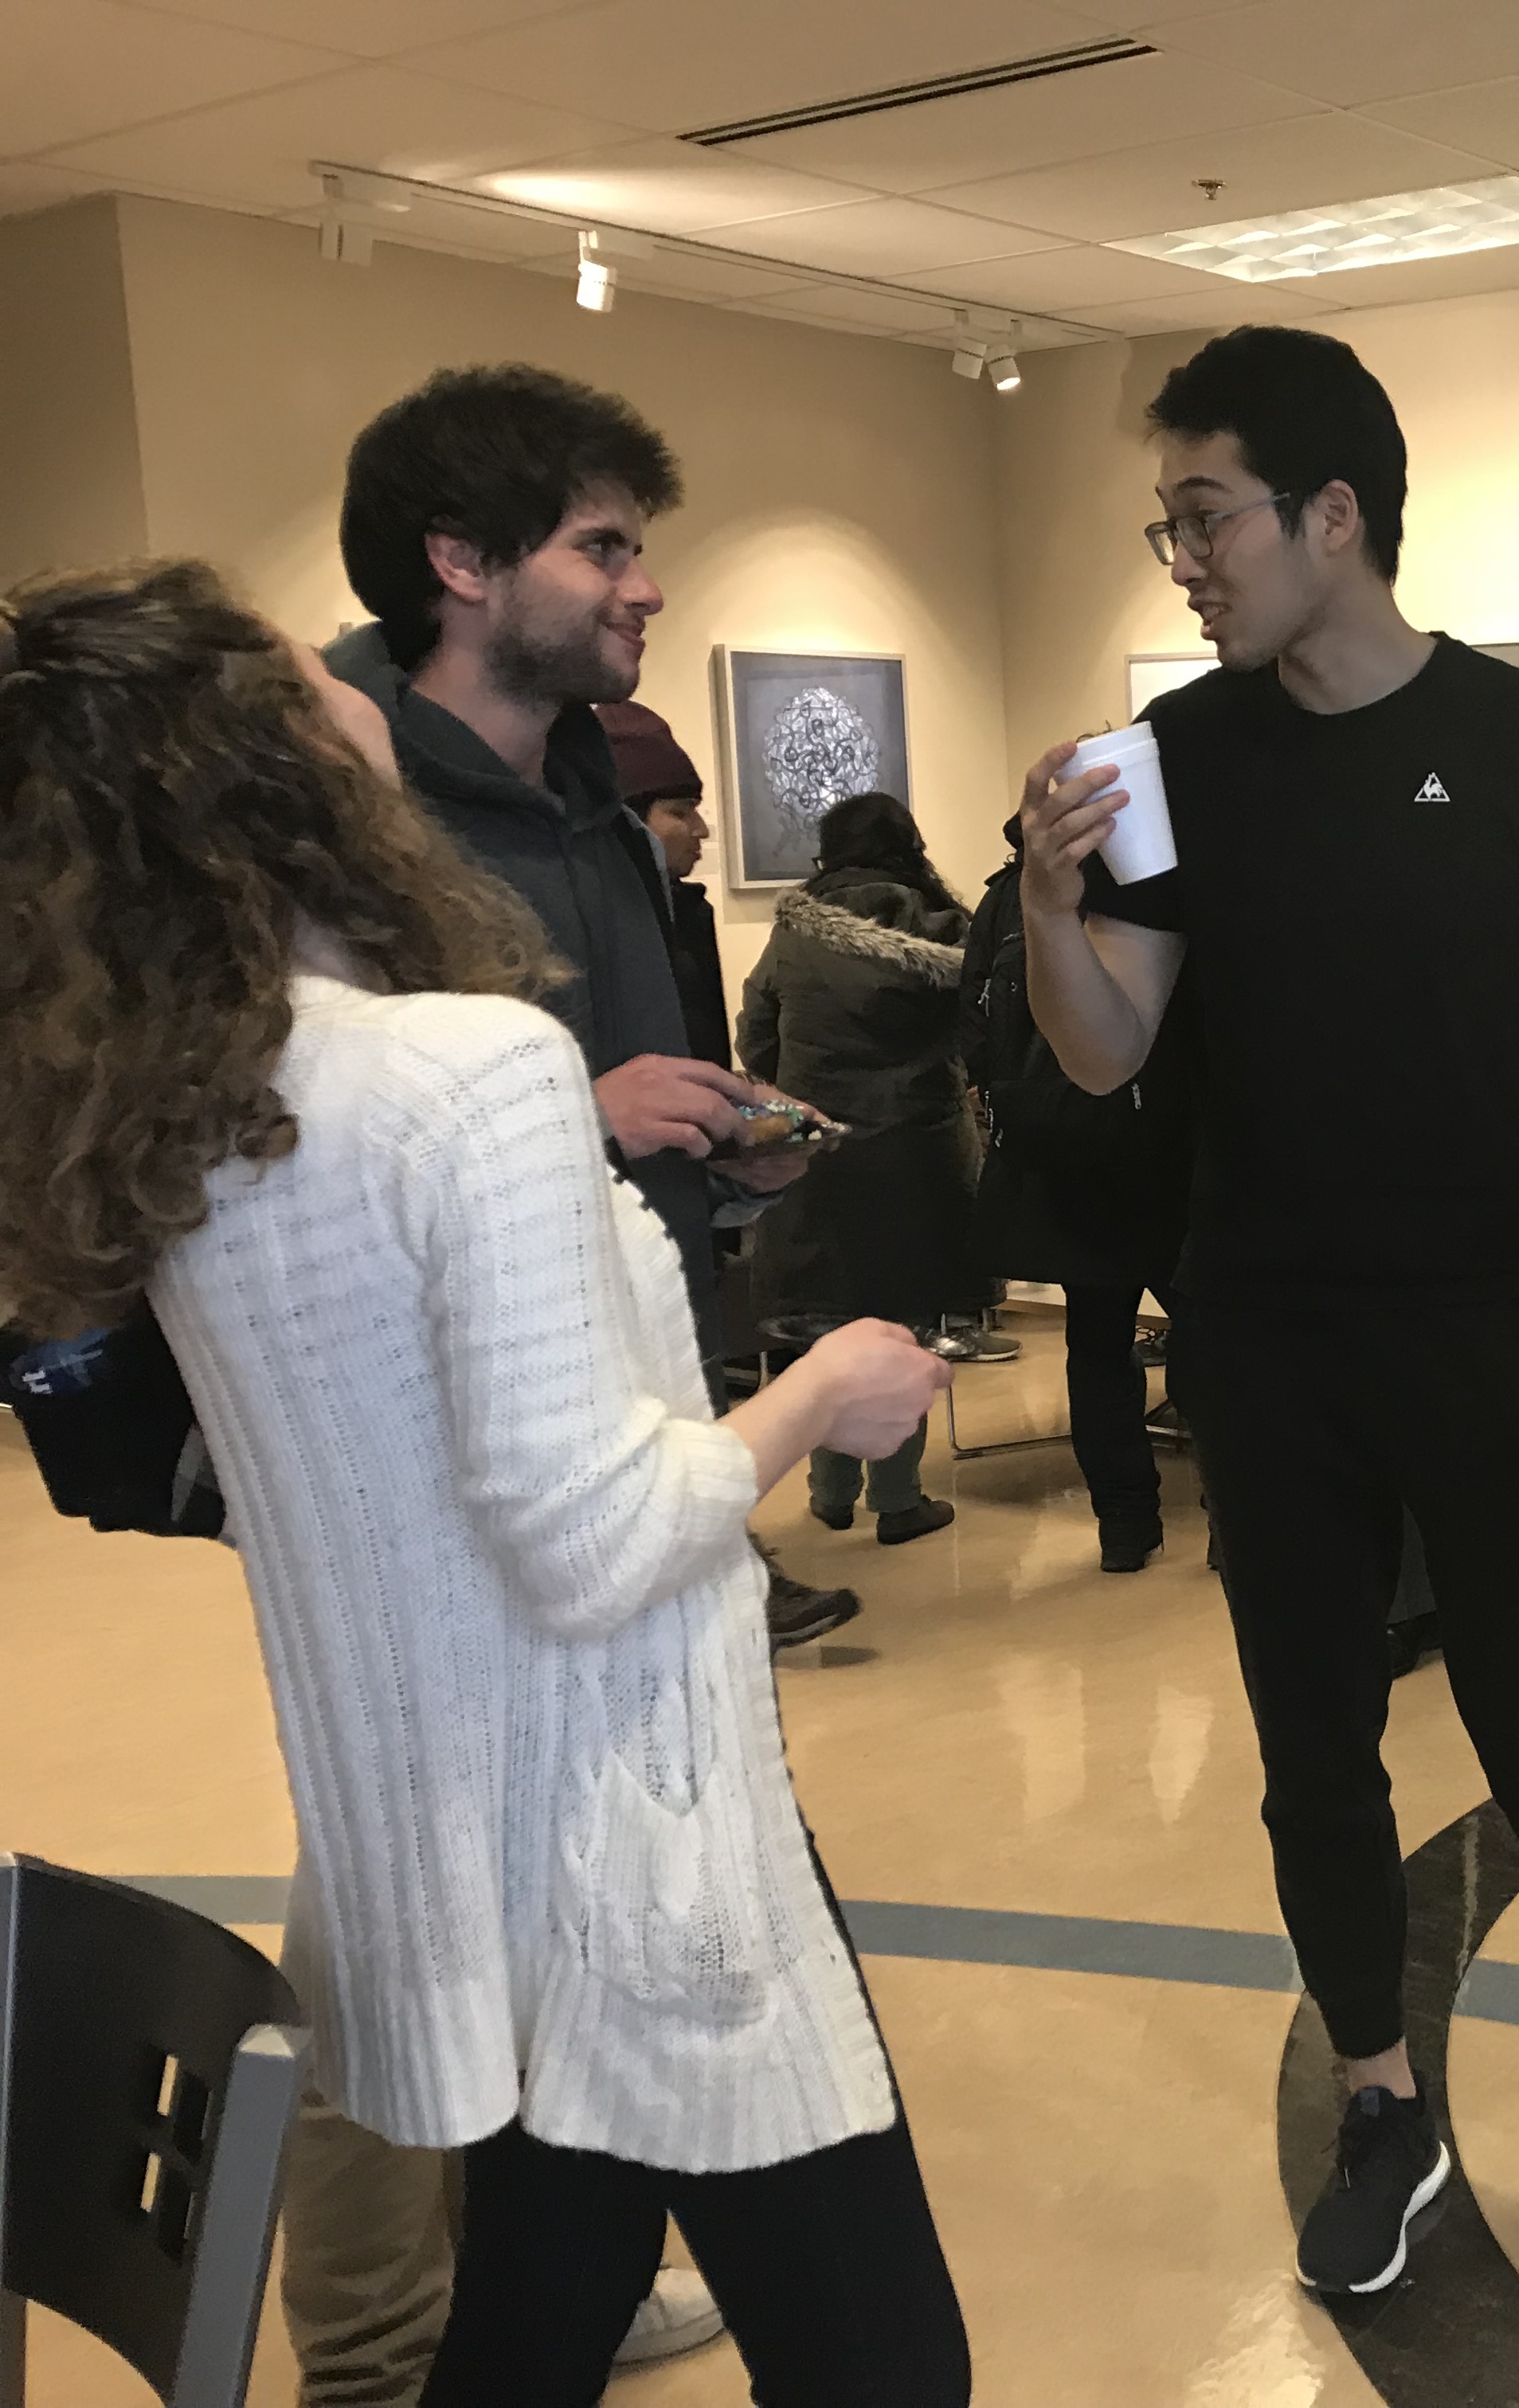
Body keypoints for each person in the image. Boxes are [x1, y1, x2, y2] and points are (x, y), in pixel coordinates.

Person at [0, 561, 969, 2408]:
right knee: (885, 2366)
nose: (348, 679)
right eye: (304, 669)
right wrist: (819, 1397)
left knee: (533, 2314)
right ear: (272, 758)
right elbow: (594, 1541)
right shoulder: (468, 1072)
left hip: (446, 1858)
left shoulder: (193, 1110)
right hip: (628, 1843)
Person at [1013, 325, 1519, 2309]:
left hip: (1485, 1329)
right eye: (1169, 526)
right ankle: (1380, 2103)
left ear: (1332, 515)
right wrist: (1047, 907)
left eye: (1208, 518)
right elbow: (1107, 1050)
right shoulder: (1178, 758)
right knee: (1314, 1751)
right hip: (1267, 1340)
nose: (1185, 560)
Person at [299, 360, 858, 2405]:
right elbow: (312, 1158)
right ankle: (376, 2354)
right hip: (445, 1472)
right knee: (409, 1912)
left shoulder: (599, 802)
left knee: (584, 1901)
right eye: (604, 546)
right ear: (461, 564)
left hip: (630, 1419)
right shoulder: (337, 807)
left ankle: (557, 2277)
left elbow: (615, 1105)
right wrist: (567, 1108)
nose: (646, 587)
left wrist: (711, 1140)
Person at [742, 792, 985, 1546]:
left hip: (823, 1153)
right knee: (904, 1327)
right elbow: (982, 1035)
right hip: (918, 1153)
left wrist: (802, 1093)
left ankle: (831, 1492)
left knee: (830, 1329)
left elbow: (756, 1035)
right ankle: (899, 1498)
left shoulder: (796, 932)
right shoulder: (948, 930)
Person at [962, 810, 1194, 1572]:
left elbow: (974, 1026)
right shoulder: (1154, 880)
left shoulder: (1008, 895)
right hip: (1167, 1150)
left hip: (1064, 1155)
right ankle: (1230, 1524)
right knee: (1213, 1336)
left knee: (1096, 1345)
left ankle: (1124, 1525)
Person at [597, 697, 732, 1071]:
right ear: (629, 818)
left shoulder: (689, 909)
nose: (701, 830)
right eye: (680, 812)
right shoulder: (602, 919)